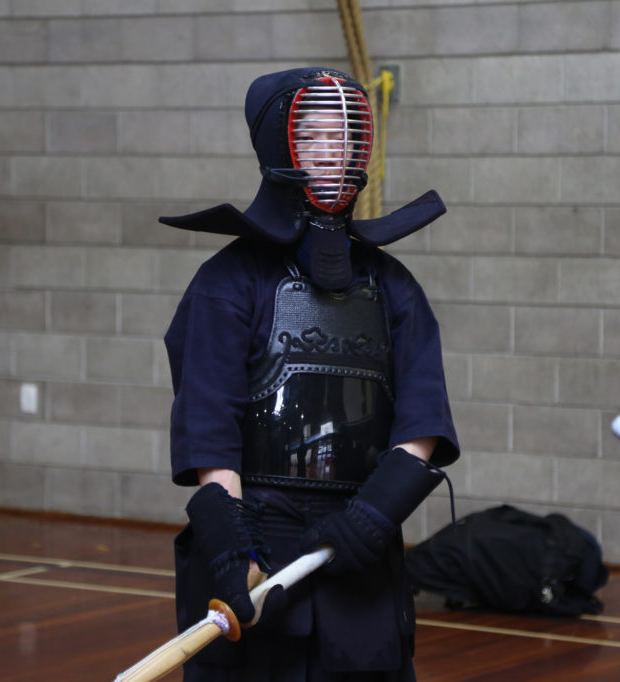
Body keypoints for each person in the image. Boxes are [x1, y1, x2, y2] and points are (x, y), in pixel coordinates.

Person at [162, 67, 459, 681]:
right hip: (256, 542)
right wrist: (233, 551)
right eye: (316, 136)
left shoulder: (394, 287)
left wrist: (373, 517)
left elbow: (422, 419)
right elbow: (210, 427)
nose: (334, 153)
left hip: (360, 542)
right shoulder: (228, 282)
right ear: (280, 147)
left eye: (346, 139)